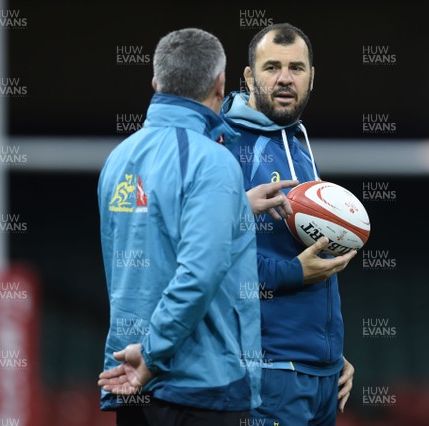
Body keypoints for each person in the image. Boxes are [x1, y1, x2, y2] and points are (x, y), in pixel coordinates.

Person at [96, 28, 262, 426]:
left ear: (155, 82)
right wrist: (154, 354)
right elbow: (198, 273)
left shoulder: (117, 160)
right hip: (199, 389)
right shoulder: (215, 162)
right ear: (220, 84)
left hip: (130, 383)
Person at [221, 23, 357, 425]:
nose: (284, 78)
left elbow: (298, 254)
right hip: (267, 371)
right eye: (272, 67)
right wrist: (294, 273)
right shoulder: (224, 147)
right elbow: (208, 260)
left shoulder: (298, 146)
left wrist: (330, 350)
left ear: (312, 77)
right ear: (248, 77)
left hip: (321, 376)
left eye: (296, 68)